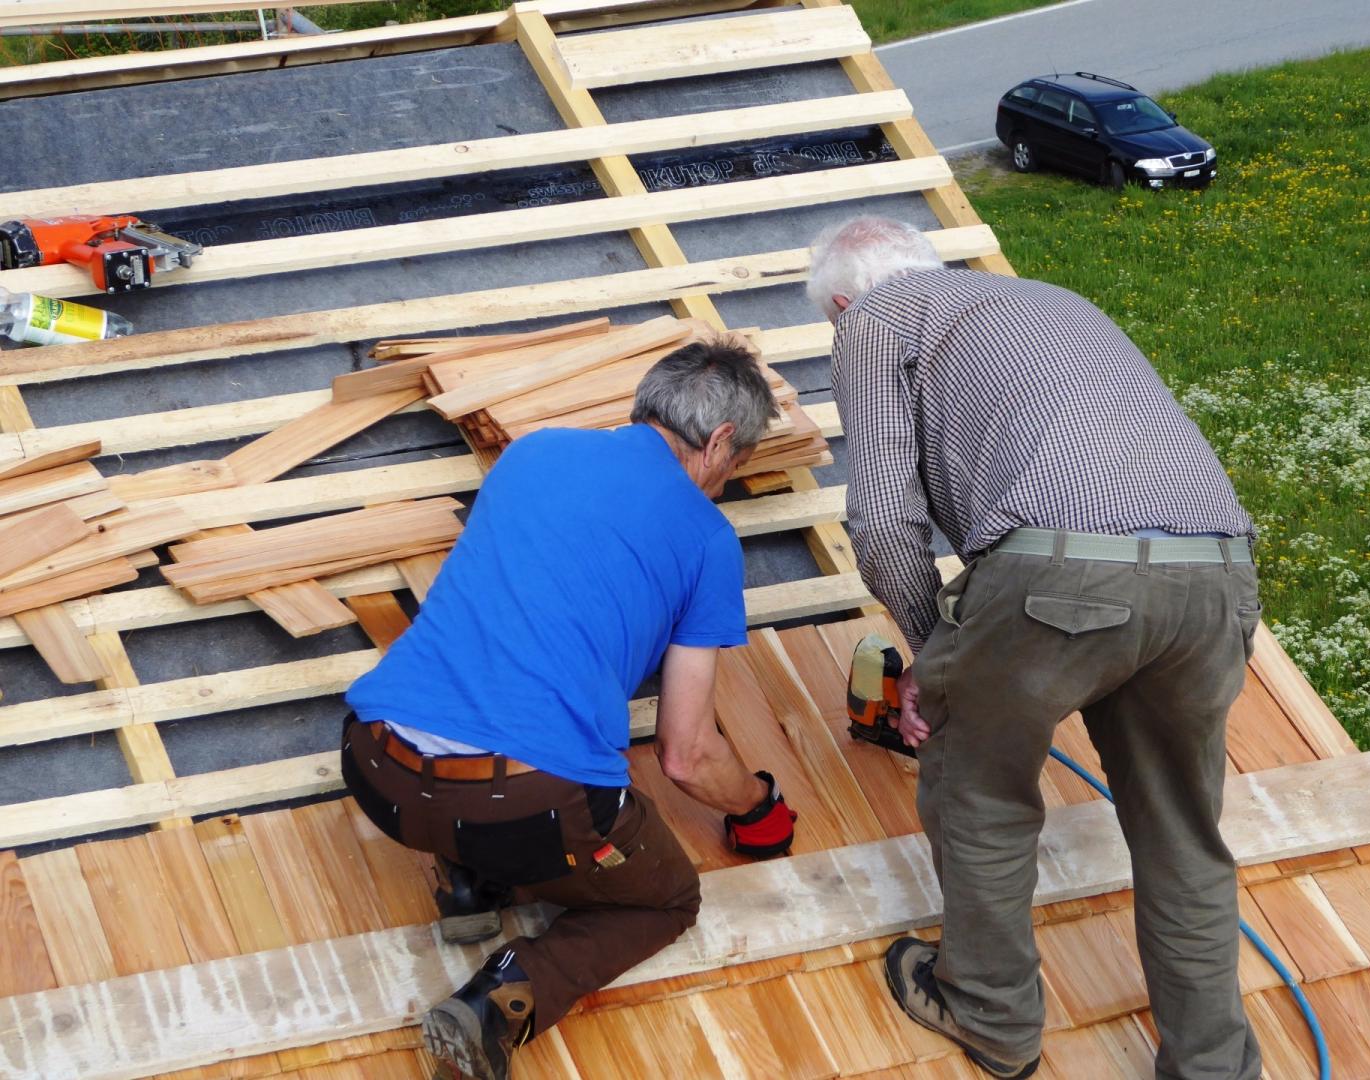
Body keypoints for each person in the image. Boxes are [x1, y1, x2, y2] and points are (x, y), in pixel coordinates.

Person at [807, 217, 1261, 1080]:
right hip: (1216, 573)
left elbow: (883, 522)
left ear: (839, 302)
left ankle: (992, 1016)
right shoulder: (1050, 300)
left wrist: (934, 651)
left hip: (1057, 573)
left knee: (977, 792)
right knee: (1182, 831)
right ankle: (1214, 1066)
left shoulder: (872, 319)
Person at [341, 338, 799, 1080]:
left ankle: (469, 883)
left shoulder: (532, 453)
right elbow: (686, 755)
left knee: (490, 742)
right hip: (519, 805)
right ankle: (497, 1004)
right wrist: (757, 806)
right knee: (665, 900)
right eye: (738, 460)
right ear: (720, 441)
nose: (727, 480)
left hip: (373, 763)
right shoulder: (708, 541)